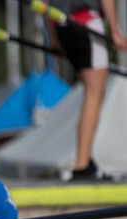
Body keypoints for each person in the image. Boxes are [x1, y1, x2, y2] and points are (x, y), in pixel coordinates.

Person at [45, 0, 127, 181]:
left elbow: (45, 3)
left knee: (90, 93)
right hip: (87, 24)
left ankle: (86, 160)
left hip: (61, 26)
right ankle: (81, 164)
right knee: (94, 94)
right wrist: (115, 31)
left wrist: (54, 39)